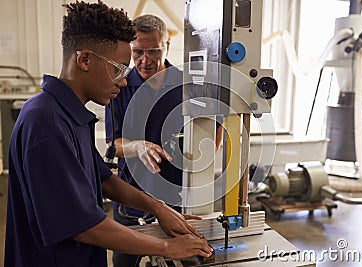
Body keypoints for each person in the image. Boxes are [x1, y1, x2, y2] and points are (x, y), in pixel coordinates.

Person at [4, 2, 213, 267]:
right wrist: (167, 248)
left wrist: (158, 208)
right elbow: (84, 226)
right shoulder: (46, 123)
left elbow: (104, 180)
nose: (125, 81)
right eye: (119, 69)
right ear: (84, 60)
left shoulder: (71, 115)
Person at [105, 14, 187, 267]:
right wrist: (137, 146)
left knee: (178, 260)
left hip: (175, 197)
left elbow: (214, 126)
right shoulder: (119, 85)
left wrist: (202, 161)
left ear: (167, 45)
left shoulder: (186, 84)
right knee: (124, 261)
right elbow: (113, 145)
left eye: (154, 51)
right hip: (131, 197)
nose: (145, 60)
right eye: (138, 52)